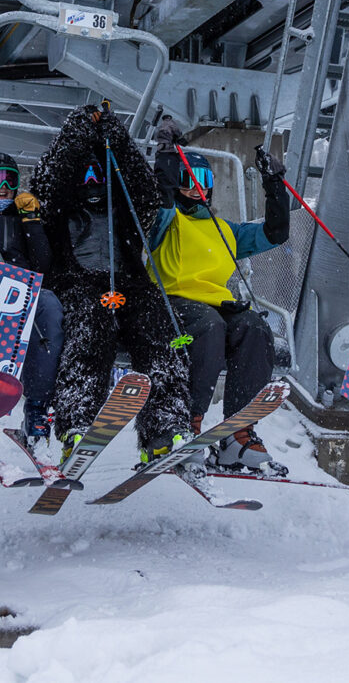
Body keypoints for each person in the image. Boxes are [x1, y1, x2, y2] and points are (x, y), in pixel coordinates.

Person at [32, 105, 192, 464]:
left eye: (98, 176)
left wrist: (116, 138)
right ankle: (77, 423)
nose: (92, 184)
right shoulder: (57, 209)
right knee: (92, 322)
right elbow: (47, 181)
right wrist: (76, 131)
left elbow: (146, 190)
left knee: (159, 328)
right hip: (79, 283)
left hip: (129, 283)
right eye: (84, 177)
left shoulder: (126, 208)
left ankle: (165, 427)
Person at [148, 144, 289, 473]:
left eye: (203, 178)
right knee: (209, 327)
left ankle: (238, 432)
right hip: (170, 302)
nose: (197, 186)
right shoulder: (166, 219)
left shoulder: (227, 230)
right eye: (187, 178)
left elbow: (275, 233)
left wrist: (275, 185)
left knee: (254, 328)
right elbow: (160, 200)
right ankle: (186, 425)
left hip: (216, 303)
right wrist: (167, 158)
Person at [0, 152, 63, 445]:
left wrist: (32, 222)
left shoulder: (23, 217)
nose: (4, 186)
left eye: (11, 178)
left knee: (49, 308)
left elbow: (43, 264)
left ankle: (36, 410)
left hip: (23, 289)